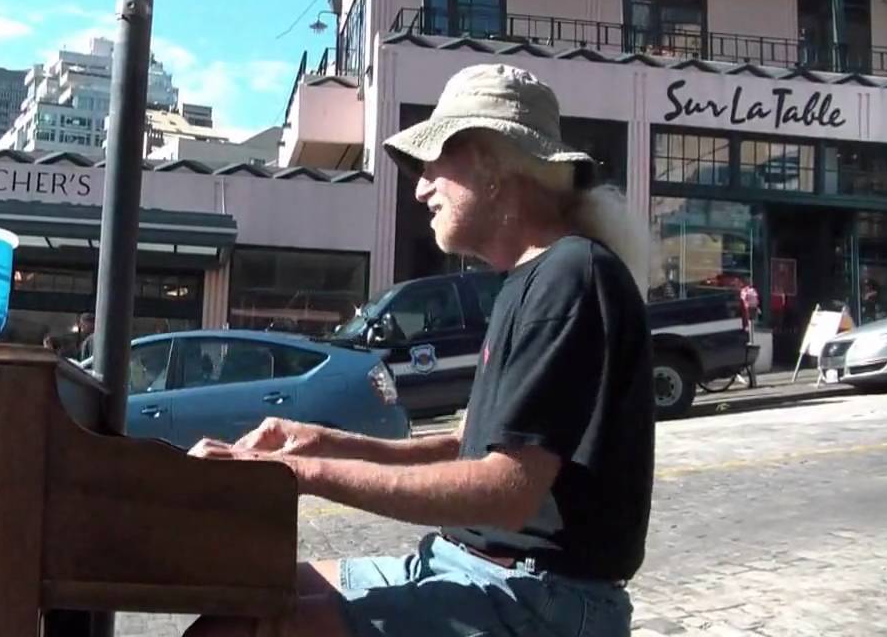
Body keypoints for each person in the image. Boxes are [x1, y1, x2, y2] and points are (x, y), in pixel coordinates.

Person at [185, 64, 655, 637]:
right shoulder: (534, 278)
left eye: (433, 164)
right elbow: (473, 447)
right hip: (479, 571)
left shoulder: (572, 275)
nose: (420, 188)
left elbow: (508, 490)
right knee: (250, 591)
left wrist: (298, 472)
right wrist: (324, 442)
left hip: (537, 598)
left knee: (235, 631)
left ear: (492, 166)